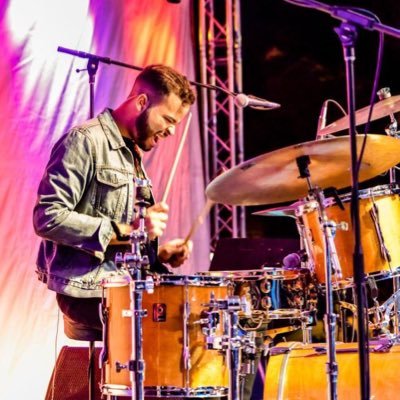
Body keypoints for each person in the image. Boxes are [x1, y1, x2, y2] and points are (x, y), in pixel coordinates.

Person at [33, 64, 196, 337]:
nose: (171, 132)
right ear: (142, 102)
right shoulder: (85, 141)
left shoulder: (131, 153)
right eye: (168, 120)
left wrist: (156, 252)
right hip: (90, 290)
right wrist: (130, 230)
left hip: (125, 282)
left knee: (201, 316)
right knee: (174, 330)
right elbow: (48, 217)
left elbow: (124, 237)